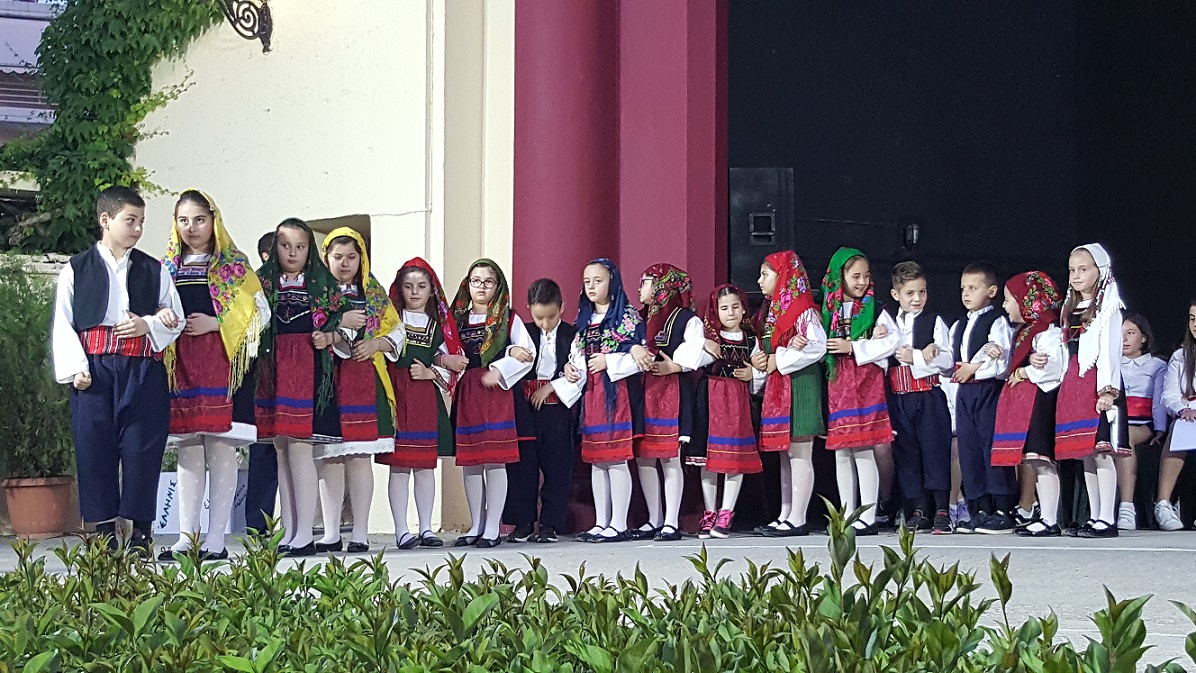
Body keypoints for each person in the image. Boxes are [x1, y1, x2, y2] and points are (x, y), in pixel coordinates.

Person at [51, 186, 185, 556]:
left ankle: (141, 531)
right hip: (94, 372)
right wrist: (76, 368)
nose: (138, 229)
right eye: (131, 220)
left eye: (142, 222)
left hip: (141, 369)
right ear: (105, 220)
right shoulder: (77, 268)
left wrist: (148, 324)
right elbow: (63, 322)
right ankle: (105, 530)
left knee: (143, 446)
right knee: (95, 447)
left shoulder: (154, 269)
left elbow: (175, 318)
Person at [158, 190, 269, 562]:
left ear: (213, 220)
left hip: (222, 365)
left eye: (199, 220)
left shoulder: (234, 265)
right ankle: (186, 537)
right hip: (179, 365)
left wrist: (215, 324)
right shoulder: (166, 266)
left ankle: (217, 539)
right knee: (188, 448)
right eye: (183, 220)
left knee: (221, 448)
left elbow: (259, 313)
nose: (191, 228)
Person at [255, 218, 348, 557]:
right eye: (285, 246)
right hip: (272, 368)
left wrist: (330, 337)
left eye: (300, 246)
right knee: (281, 449)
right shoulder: (262, 282)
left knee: (298, 448)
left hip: (306, 368)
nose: (292, 253)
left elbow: (348, 325)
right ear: (274, 248)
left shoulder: (323, 283)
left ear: (310, 249)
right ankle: (291, 529)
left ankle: (305, 533)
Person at [313, 228, 404, 553]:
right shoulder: (317, 291)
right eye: (338, 257)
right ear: (326, 258)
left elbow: (397, 330)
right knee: (328, 457)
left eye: (351, 257)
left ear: (361, 259)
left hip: (363, 380)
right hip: (327, 381)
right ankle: (331, 531)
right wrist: (338, 328)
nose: (345, 263)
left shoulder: (372, 293)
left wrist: (376, 344)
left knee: (359, 457)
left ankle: (361, 532)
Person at [559, 259, 652, 543]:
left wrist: (608, 361)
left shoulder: (627, 318)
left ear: (612, 282)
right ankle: (601, 522)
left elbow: (641, 359)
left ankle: (619, 523)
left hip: (616, 395)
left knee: (616, 459)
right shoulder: (584, 320)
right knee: (597, 461)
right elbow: (577, 354)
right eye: (587, 281)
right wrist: (570, 367)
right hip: (592, 396)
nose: (591, 287)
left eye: (597, 281)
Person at [376, 258, 461, 549]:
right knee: (399, 466)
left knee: (425, 465)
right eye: (408, 286)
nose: (415, 292)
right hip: (397, 395)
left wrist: (432, 371)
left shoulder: (438, 326)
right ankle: (401, 530)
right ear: (399, 288)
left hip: (424, 398)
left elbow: (444, 357)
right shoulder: (391, 321)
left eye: (421, 286)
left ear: (431, 291)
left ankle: (426, 528)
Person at [450, 259, 536, 548]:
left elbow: (527, 354)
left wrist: (501, 367)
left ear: (498, 286)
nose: (481, 287)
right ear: (467, 284)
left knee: (495, 460)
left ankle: (492, 527)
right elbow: (444, 350)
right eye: (476, 281)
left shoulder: (508, 319)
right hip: (468, 392)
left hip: (497, 393)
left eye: (488, 282)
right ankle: (476, 524)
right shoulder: (457, 319)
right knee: (471, 462)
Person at [821, 248, 899, 535]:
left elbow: (892, 342)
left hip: (866, 385)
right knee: (842, 451)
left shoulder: (875, 309)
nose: (862, 282)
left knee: (864, 447)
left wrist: (854, 346)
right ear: (840, 276)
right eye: (856, 276)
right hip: (838, 385)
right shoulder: (828, 310)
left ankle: (867, 515)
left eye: (866, 276)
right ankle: (846, 514)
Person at [1053, 243, 1126, 539]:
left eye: (1083, 269)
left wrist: (1108, 391)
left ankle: (1107, 517)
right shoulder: (1070, 309)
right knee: (1085, 452)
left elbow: (1109, 351)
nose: (1076, 275)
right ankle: (1094, 515)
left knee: (1101, 451)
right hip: (1075, 383)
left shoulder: (1108, 308)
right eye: (1072, 270)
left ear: (1101, 270)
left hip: (1096, 383)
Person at [753, 252, 826, 537]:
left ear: (782, 276)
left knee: (799, 452)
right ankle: (786, 513)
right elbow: (768, 349)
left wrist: (779, 358)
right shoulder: (771, 311)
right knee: (786, 453)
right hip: (780, 386)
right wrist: (763, 360)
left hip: (801, 385)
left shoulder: (802, 309)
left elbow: (817, 347)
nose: (759, 281)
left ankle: (798, 517)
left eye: (765, 274)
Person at [989, 272, 1067, 537]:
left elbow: (1054, 367)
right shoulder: (1025, 333)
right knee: (1034, 462)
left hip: (1039, 402)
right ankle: (1045, 516)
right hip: (1025, 404)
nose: (1004, 305)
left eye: (1009, 299)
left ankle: (1050, 519)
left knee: (1042, 460)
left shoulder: (1047, 332)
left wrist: (1025, 371)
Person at [633, 264, 706, 543]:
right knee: (644, 456)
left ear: (663, 286)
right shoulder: (637, 318)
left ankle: (671, 521)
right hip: (644, 391)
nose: (640, 288)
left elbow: (694, 352)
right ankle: (654, 518)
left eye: (646, 282)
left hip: (671, 392)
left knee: (670, 456)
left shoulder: (686, 318)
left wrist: (673, 366)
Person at [505, 278, 578, 544]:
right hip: (526, 409)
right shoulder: (522, 334)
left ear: (562, 308)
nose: (545, 324)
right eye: (539, 318)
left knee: (557, 467)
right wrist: (512, 350)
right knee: (523, 466)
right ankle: (523, 522)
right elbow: (505, 358)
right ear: (529, 309)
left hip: (557, 409)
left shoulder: (572, 335)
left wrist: (551, 387)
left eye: (551, 317)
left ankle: (550, 524)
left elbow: (578, 371)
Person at [885, 261, 955, 533]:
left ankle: (942, 509)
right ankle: (918, 508)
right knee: (907, 454)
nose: (917, 299)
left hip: (927, 397)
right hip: (900, 398)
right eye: (910, 293)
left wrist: (916, 356)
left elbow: (948, 362)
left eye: (922, 292)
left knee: (934, 450)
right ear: (896, 294)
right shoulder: (888, 323)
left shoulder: (934, 321)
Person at [692, 285, 765, 539]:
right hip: (711, 397)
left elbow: (762, 369)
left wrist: (753, 373)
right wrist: (702, 343)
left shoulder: (751, 341)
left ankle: (726, 512)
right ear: (716, 311)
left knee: (734, 458)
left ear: (744, 309)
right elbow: (691, 358)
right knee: (709, 459)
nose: (730, 312)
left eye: (735, 307)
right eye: (724, 308)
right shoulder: (710, 339)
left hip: (737, 401)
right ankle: (710, 512)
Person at [949, 262, 1016, 534]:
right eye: (963, 288)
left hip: (988, 390)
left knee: (991, 447)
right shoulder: (959, 325)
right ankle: (979, 507)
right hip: (965, 392)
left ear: (991, 291)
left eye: (973, 288)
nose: (966, 294)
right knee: (969, 449)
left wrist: (974, 368)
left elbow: (1001, 359)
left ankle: (1002, 508)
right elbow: (952, 360)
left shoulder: (997, 321)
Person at [1118, 313, 1167, 530]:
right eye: (1120, 334)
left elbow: (1158, 402)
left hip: (1142, 424)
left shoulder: (1156, 365)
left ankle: (1127, 508)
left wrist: (1160, 430)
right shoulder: (1111, 363)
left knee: (1125, 437)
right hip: (1113, 422)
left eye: (1130, 333)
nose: (1124, 339)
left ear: (1143, 338)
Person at [245, 231, 278, 536]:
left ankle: (299, 523)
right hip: (262, 374)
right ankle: (258, 523)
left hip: (295, 372)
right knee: (264, 450)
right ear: (266, 256)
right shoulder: (252, 285)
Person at [1155, 299, 1196, 531]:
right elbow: (1169, 394)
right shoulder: (1181, 356)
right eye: (1192, 319)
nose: (1195, 324)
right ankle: (1163, 503)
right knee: (1180, 429)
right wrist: (1183, 409)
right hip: (1189, 413)